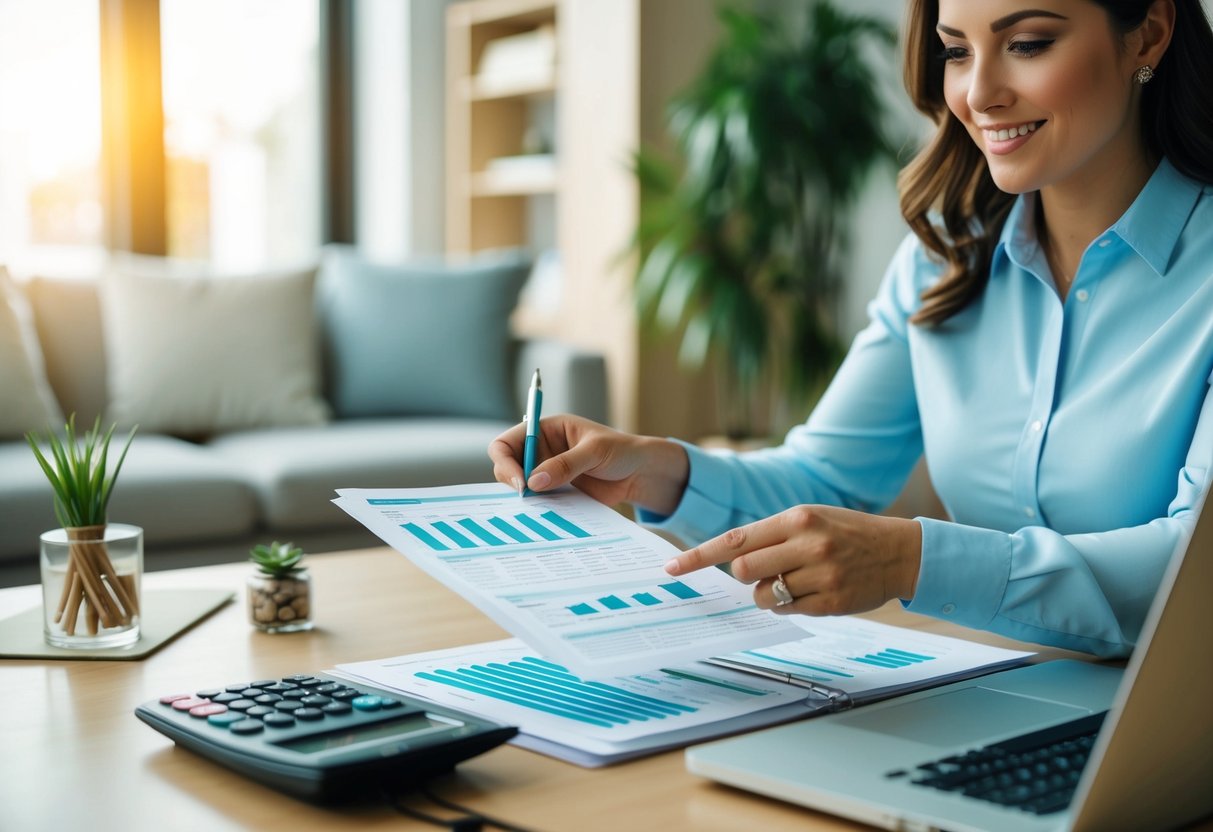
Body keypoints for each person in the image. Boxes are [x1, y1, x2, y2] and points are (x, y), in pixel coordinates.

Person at [490, 0, 1213, 658]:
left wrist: (911, 561)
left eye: (1026, 44)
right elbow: (825, 480)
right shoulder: (944, 255)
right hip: (995, 686)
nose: (977, 93)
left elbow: (1192, 571)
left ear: (1147, 33)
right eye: (955, 51)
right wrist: (658, 471)